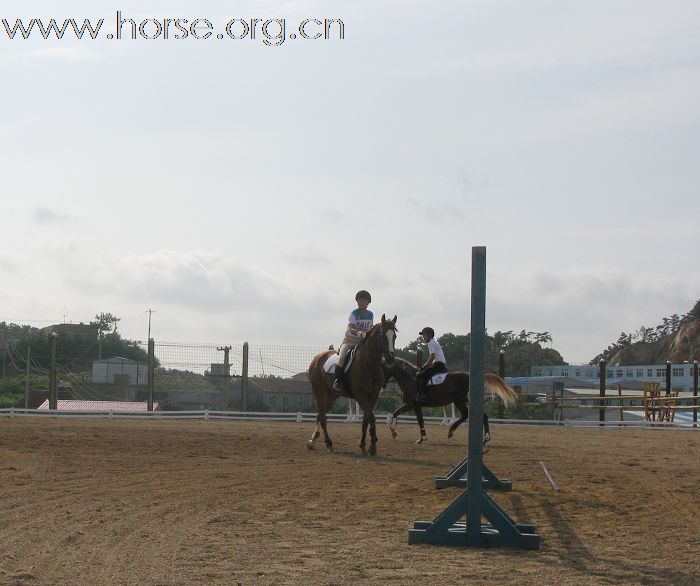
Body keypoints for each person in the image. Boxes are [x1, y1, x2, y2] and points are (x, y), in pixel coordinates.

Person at [332, 290, 374, 392]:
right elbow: (352, 328)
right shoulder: (353, 314)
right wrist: (360, 333)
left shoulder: (370, 314)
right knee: (341, 357)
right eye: (359, 300)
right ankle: (338, 381)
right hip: (350, 340)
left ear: (368, 302)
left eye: (364, 300)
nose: (361, 302)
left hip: (363, 342)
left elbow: (370, 328)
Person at [415, 327, 448, 403]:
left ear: (430, 335)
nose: (423, 337)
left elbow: (432, 356)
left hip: (438, 364)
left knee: (419, 376)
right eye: (422, 335)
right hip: (440, 364)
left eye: (424, 335)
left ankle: (423, 396)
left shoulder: (430, 343)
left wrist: (424, 367)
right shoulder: (434, 342)